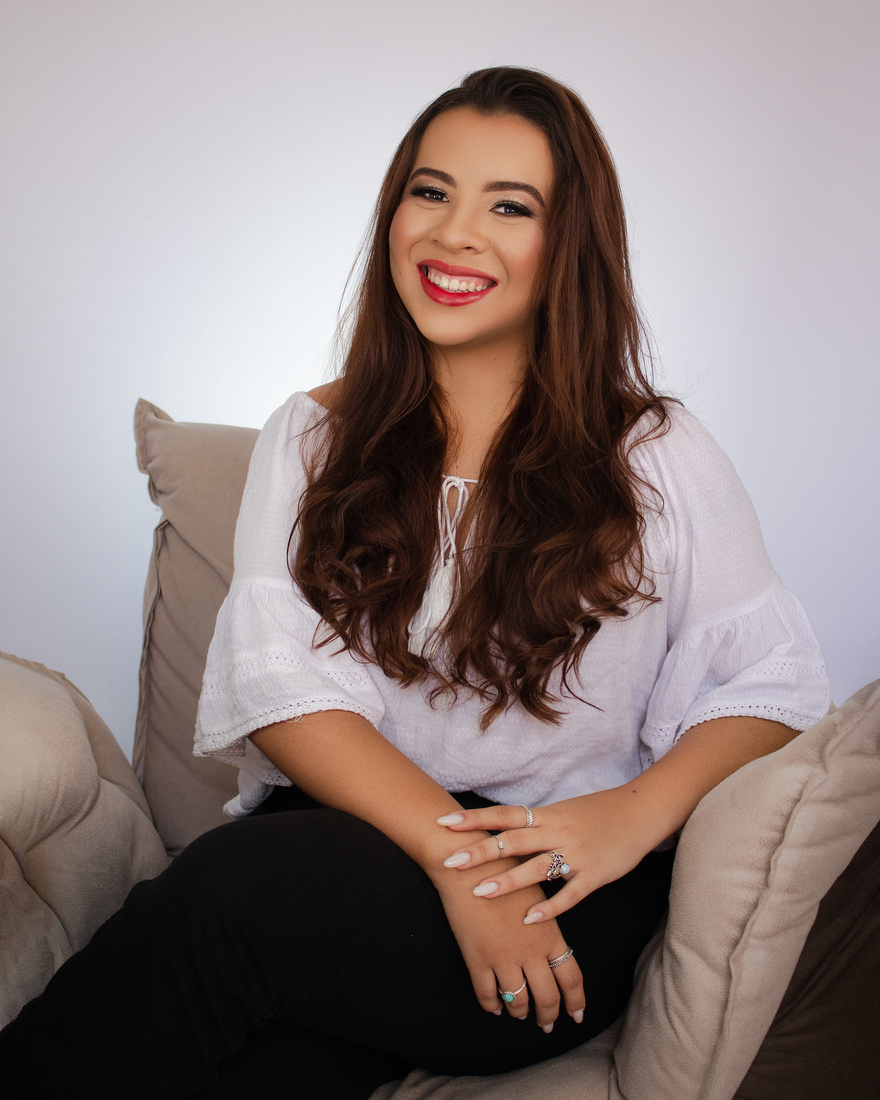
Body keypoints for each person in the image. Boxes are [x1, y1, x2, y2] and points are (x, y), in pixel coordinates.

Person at [0, 66, 831, 1098]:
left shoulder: (654, 450)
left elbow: (768, 689)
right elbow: (288, 699)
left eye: (509, 205)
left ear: (568, 244)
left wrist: (626, 816)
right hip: (350, 852)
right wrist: (448, 863)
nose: (453, 233)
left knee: (221, 897)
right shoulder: (307, 434)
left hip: (555, 885)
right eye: (430, 192)